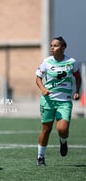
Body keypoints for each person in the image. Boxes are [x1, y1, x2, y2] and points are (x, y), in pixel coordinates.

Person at [35, 36, 81, 166]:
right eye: (51, 45)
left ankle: (63, 141)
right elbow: (38, 78)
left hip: (64, 101)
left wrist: (77, 90)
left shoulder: (72, 62)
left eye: (55, 45)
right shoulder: (46, 62)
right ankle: (40, 157)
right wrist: (43, 89)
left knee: (62, 129)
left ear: (63, 47)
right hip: (48, 100)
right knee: (46, 129)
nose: (52, 48)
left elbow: (78, 77)